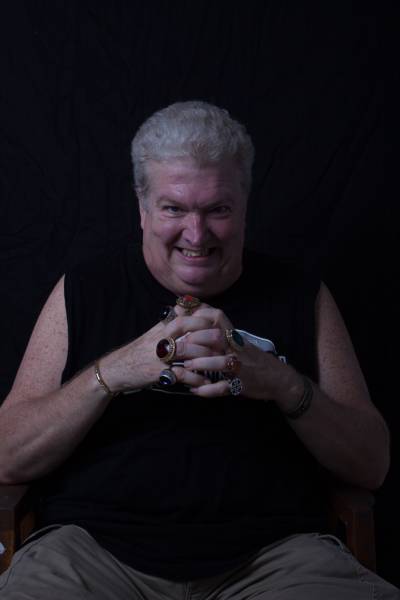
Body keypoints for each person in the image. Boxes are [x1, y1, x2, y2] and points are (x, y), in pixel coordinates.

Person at [0, 101, 397, 599]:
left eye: (218, 210)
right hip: (95, 553)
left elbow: (371, 464)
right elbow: (7, 456)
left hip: (274, 558)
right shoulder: (84, 290)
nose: (196, 234)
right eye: (174, 208)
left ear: (244, 206)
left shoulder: (301, 295)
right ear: (142, 208)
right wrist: (114, 372)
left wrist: (281, 383)